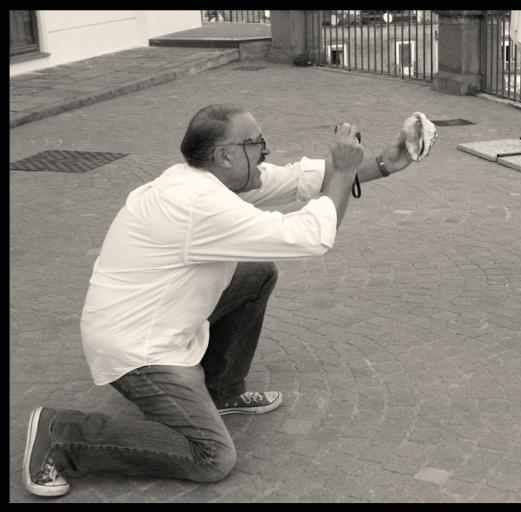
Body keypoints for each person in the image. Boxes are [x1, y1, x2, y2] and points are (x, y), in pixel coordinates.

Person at [22, 104, 425, 497]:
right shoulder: (200, 204)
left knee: (255, 273)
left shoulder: (205, 179)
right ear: (225, 155)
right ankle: (61, 434)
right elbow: (312, 235)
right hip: (138, 350)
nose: (265, 149)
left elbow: (299, 178)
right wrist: (344, 167)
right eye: (257, 142)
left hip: (153, 317)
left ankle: (223, 389)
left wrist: (387, 161)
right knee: (212, 457)